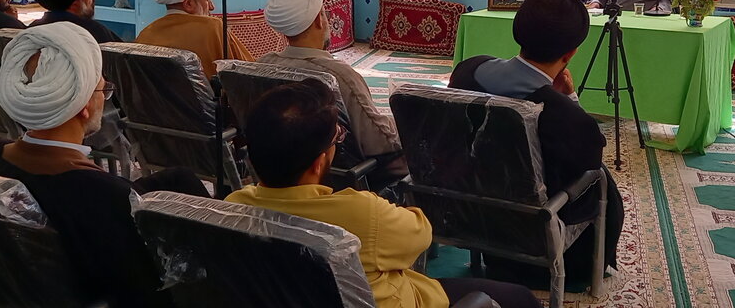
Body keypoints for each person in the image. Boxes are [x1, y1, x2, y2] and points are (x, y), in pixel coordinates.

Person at [226, 79, 541, 308]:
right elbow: (420, 234)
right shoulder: (362, 214)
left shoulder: (232, 207)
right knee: (520, 298)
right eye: (336, 139)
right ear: (319, 162)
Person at [0, 22, 209, 306]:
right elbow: (145, 295)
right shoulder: (109, 200)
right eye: (102, 88)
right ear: (84, 106)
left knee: (179, 179)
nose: (104, 94)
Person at [448, 0, 624, 286]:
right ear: (570, 53)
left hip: (468, 214)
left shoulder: (468, 70)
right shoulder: (566, 117)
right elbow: (587, 167)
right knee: (601, 178)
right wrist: (570, 100)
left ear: (519, 31)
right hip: (535, 235)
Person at [260, 0, 407, 184]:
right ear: (319, 19)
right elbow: (381, 142)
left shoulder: (262, 66)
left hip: (281, 175)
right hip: (342, 179)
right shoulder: (338, 76)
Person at [135, 0, 253, 79]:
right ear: (188, 3)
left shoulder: (145, 34)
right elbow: (249, 72)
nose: (212, 7)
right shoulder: (213, 28)